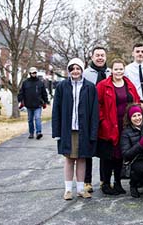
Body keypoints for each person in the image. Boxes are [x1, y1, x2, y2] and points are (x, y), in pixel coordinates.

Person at [52, 58, 99, 200]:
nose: (75, 71)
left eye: (78, 68)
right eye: (72, 69)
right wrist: (57, 132)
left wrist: (93, 132)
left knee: (82, 158)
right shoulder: (62, 87)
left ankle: (80, 189)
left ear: (82, 70)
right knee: (69, 158)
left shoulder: (90, 87)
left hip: (83, 128)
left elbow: (94, 111)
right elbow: (56, 110)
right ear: (69, 71)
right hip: (68, 129)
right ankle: (67, 190)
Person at [96, 58, 141, 195]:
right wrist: (103, 120)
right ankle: (105, 183)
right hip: (109, 125)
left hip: (125, 125)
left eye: (121, 69)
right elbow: (97, 105)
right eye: (116, 69)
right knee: (108, 156)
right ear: (112, 70)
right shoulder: (104, 85)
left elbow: (136, 101)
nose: (119, 71)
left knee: (120, 155)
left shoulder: (129, 84)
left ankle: (118, 182)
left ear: (124, 70)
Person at [83, 46, 111, 193]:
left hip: (106, 117)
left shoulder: (110, 73)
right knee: (88, 150)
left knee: (105, 151)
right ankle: (87, 181)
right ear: (92, 57)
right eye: (97, 55)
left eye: (102, 55)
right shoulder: (85, 74)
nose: (100, 58)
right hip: (89, 117)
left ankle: (104, 180)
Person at [120, 104, 143, 198]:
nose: (137, 118)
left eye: (139, 115)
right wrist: (140, 144)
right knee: (141, 168)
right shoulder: (126, 132)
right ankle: (134, 185)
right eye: (134, 116)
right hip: (135, 160)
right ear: (130, 118)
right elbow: (126, 154)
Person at [18, 67, 49, 139]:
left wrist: (46, 101)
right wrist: (20, 100)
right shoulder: (25, 83)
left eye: (35, 73)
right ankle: (31, 133)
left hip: (38, 104)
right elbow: (21, 92)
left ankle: (39, 132)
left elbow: (44, 93)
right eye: (32, 73)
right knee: (30, 119)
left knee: (38, 118)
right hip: (28, 104)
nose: (34, 74)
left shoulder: (40, 83)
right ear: (30, 73)